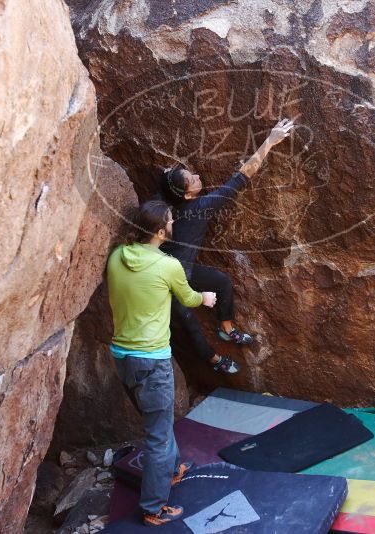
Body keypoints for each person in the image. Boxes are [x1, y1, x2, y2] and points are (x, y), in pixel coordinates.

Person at [106, 200, 217, 526]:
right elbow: (189, 298)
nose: (173, 224)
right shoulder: (168, 266)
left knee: (159, 422)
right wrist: (206, 298)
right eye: (170, 220)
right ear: (159, 231)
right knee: (157, 435)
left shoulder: (117, 257)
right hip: (152, 362)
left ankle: (171, 468)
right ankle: (153, 508)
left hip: (123, 358)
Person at [160, 118, 295, 374]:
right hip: (168, 279)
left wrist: (167, 175)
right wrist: (269, 141)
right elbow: (241, 177)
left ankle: (226, 328)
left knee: (220, 281)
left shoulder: (172, 202)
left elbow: (164, 186)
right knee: (189, 323)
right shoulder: (199, 207)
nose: (198, 176)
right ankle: (214, 361)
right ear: (188, 195)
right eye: (192, 179)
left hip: (184, 267)